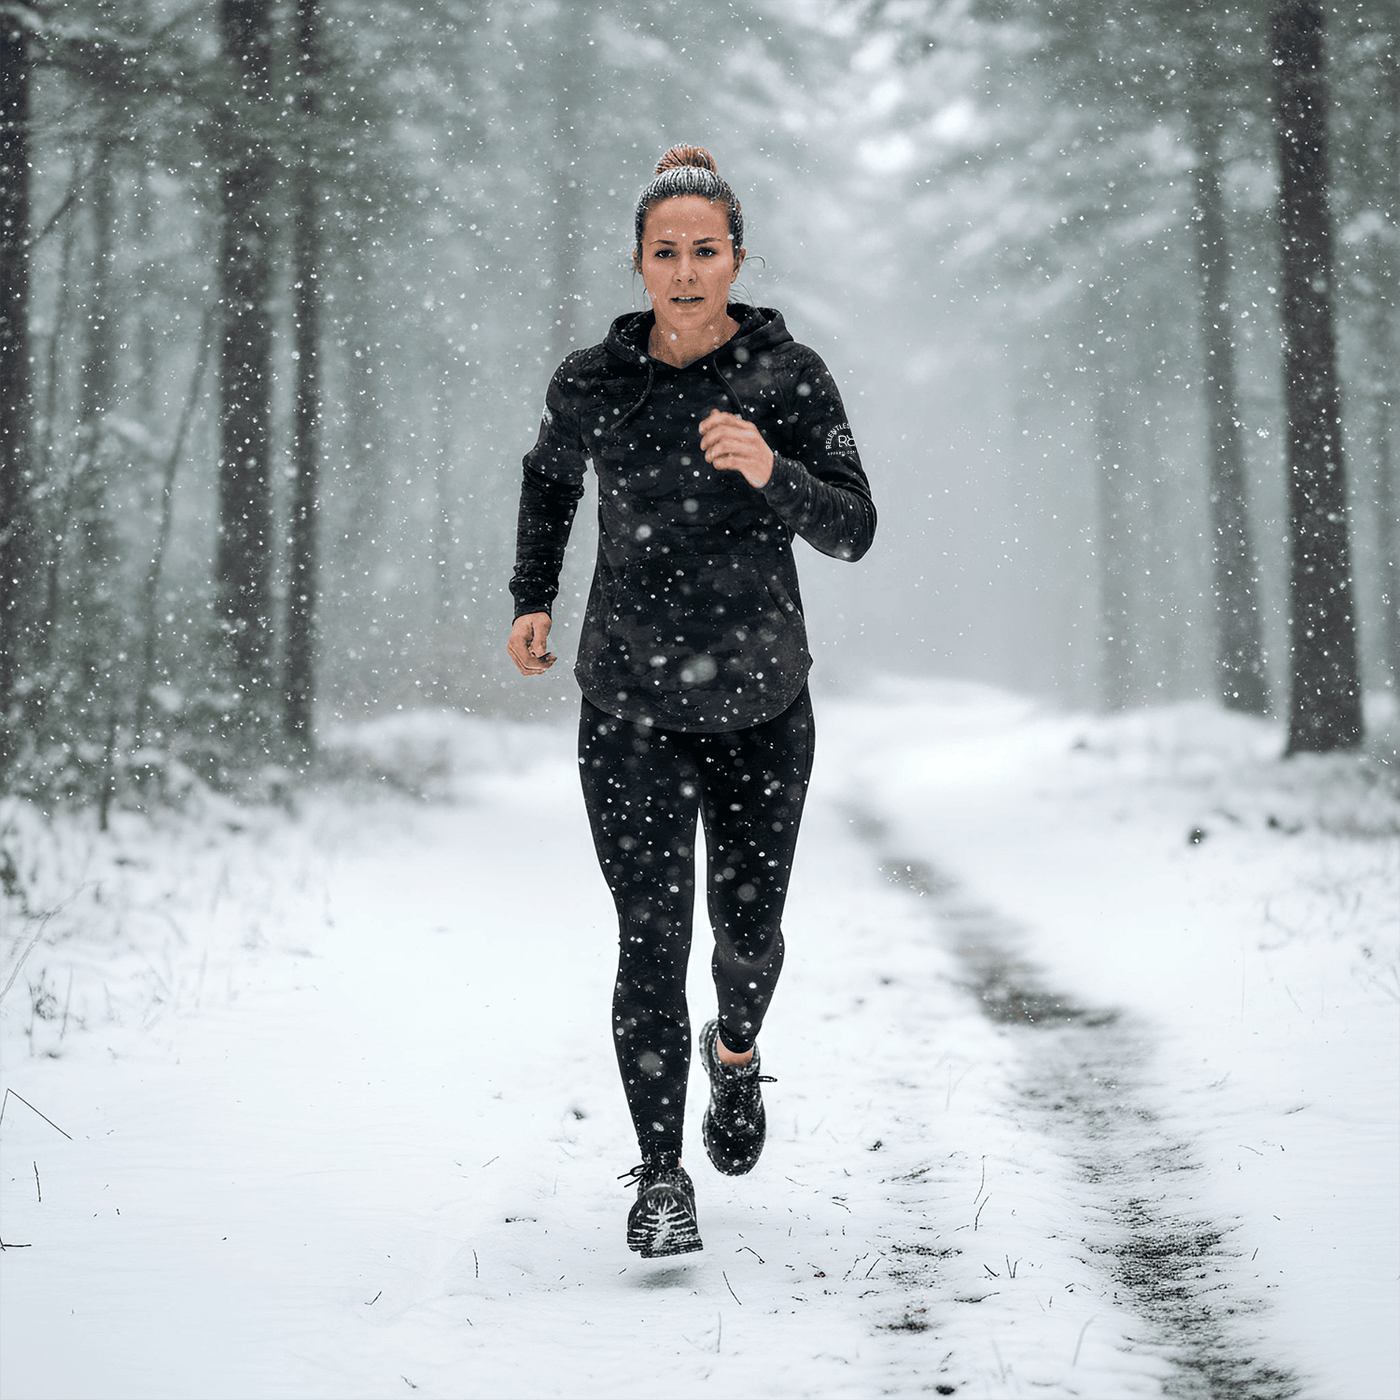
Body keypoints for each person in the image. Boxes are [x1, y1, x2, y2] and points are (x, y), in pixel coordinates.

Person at [507, 145, 875, 1258]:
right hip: (629, 704)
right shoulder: (594, 380)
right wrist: (532, 598)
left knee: (747, 940)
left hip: (762, 704)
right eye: (663, 251)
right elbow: (547, 479)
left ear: (735, 261)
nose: (683, 270)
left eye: (703, 250)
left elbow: (853, 527)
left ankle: (736, 1052)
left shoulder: (788, 375)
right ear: (637, 263)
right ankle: (661, 1174)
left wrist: (770, 468)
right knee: (650, 938)